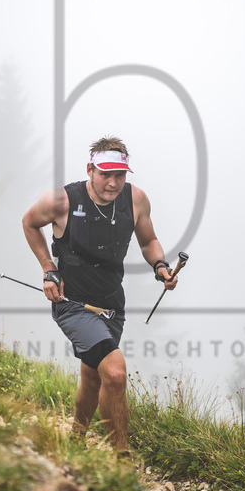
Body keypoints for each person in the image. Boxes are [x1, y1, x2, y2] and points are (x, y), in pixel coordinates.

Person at [22, 136, 179, 455]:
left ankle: (75, 441)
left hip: (112, 303)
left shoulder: (136, 200)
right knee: (116, 372)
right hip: (72, 304)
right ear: (90, 169)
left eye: (120, 175)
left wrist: (161, 266)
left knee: (93, 376)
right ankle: (121, 458)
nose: (112, 182)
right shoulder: (61, 201)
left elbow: (148, 240)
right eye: (105, 173)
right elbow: (29, 223)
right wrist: (48, 269)